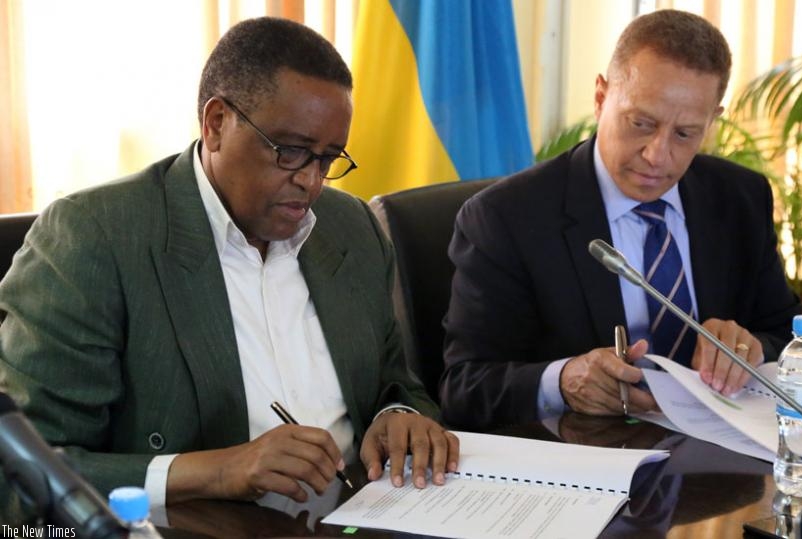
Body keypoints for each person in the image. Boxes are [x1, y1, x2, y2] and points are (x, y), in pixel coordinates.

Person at [0, 17, 459, 517]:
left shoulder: (350, 226)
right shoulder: (96, 238)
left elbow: (395, 380)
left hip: (365, 515)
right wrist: (219, 469)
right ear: (216, 123)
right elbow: (24, 465)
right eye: (290, 151)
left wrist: (401, 414)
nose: (310, 181)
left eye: (328, 158)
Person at [440, 9, 802, 429]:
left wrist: (751, 347)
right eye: (641, 123)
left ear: (712, 120)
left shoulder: (740, 197)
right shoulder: (506, 217)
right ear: (600, 97)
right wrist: (561, 381)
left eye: (685, 133)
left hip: (721, 456)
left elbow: (789, 336)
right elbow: (462, 388)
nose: (657, 155)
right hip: (589, 463)